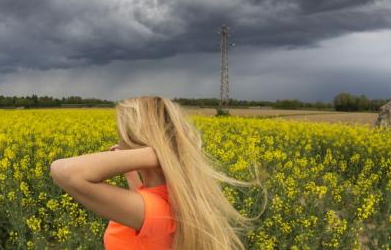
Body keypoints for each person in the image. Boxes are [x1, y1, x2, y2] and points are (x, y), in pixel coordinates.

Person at [50, 95, 267, 249]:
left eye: (121, 136)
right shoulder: (175, 197)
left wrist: (154, 154)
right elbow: (147, 218)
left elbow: (63, 172)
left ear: (139, 143)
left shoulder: (153, 210)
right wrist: (134, 172)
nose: (118, 144)